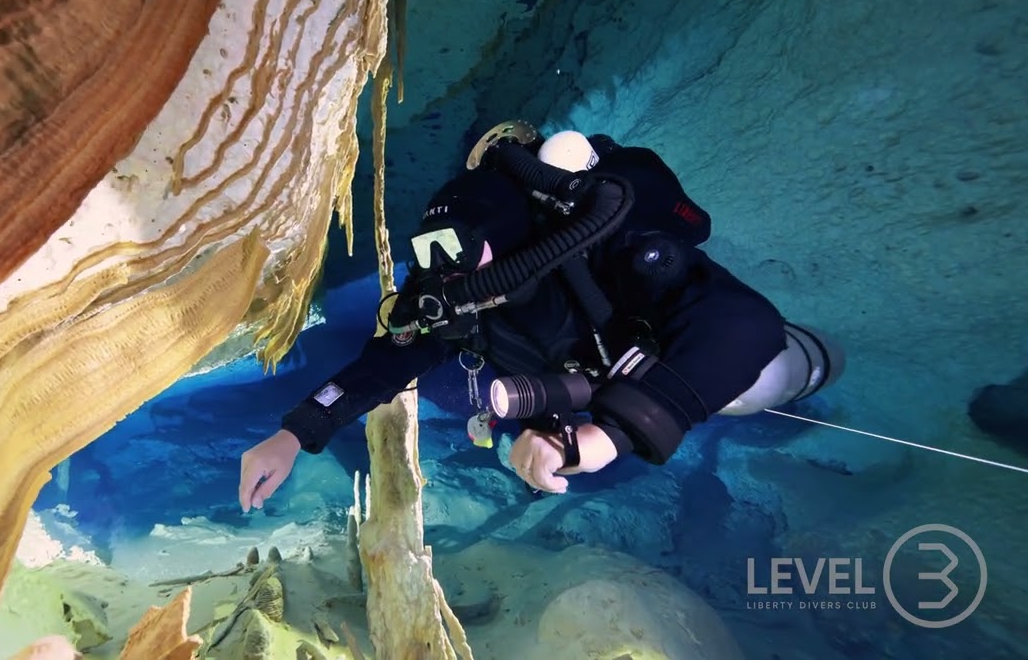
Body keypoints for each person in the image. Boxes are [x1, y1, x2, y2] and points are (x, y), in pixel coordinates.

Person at [238, 123, 843, 512]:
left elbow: (744, 324)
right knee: (506, 423)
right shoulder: (450, 285)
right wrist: (295, 433)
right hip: (568, 381)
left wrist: (612, 434)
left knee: (755, 383)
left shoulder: (603, 240)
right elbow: (385, 364)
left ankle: (813, 361)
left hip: (654, 356)